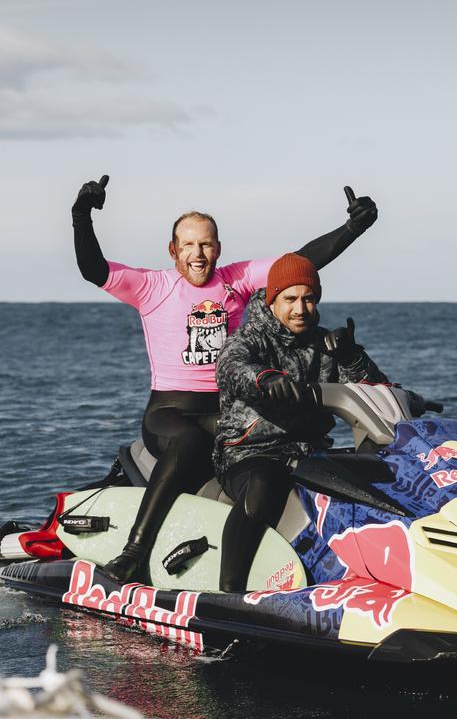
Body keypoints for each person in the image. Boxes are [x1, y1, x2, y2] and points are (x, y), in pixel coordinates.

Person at [72, 176, 379, 583]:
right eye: (188, 245)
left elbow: (298, 265)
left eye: (206, 244)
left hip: (226, 410)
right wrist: (81, 217)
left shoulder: (235, 279)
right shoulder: (151, 286)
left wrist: (352, 229)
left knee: (273, 444)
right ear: (173, 250)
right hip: (169, 412)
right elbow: (93, 268)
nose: (198, 254)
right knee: (192, 441)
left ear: (217, 248)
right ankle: (135, 550)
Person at [213, 253, 401, 592]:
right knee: (263, 487)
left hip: (309, 454)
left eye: (309, 299)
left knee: (380, 478)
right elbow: (231, 367)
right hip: (251, 454)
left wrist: (352, 356)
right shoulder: (251, 338)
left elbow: (377, 393)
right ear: (272, 300)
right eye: (290, 299)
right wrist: (266, 379)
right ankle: (230, 590)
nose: (300, 309)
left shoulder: (325, 343)